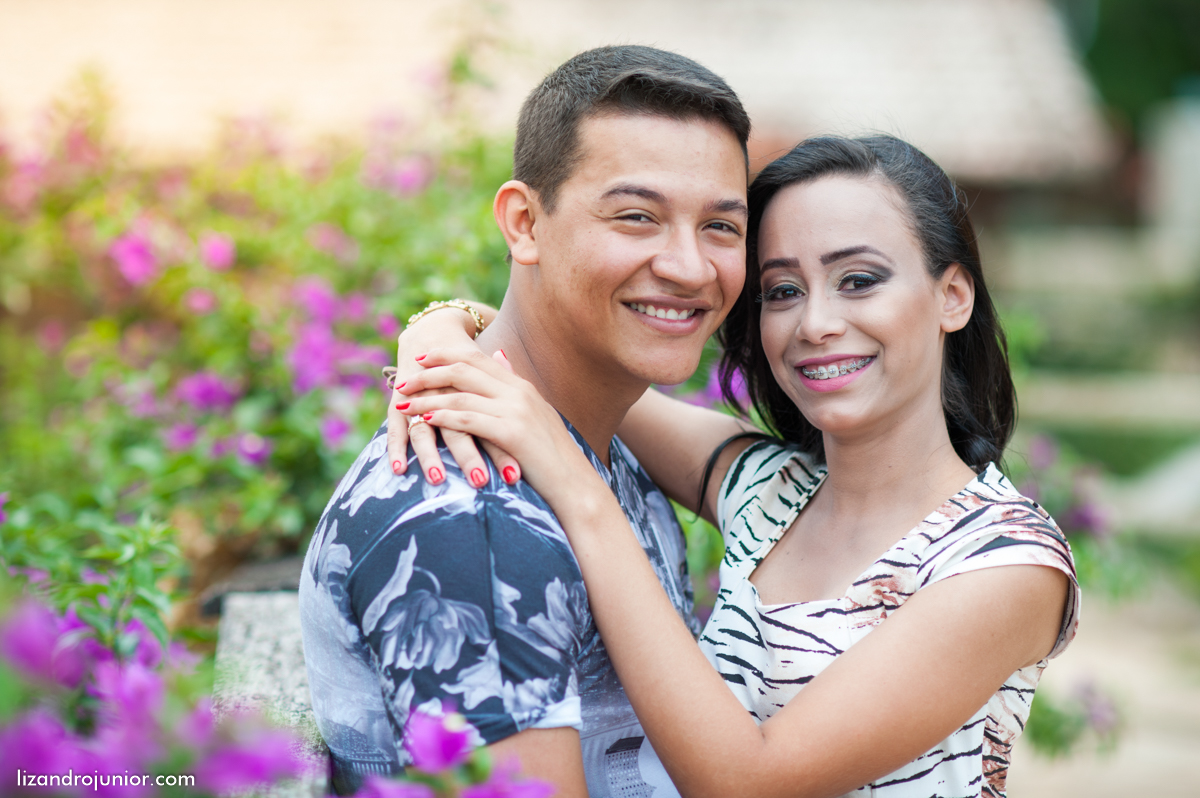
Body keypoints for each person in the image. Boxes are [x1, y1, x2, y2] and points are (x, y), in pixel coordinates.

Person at [389, 135, 1080, 797]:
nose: (815, 324)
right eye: (782, 291)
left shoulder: (1005, 563)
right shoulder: (768, 492)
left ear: (952, 296)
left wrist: (576, 485)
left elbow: (747, 781)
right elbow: (554, 371)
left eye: (859, 280)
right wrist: (440, 330)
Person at [298, 45, 753, 797]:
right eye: (636, 217)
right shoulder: (476, 521)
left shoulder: (587, 437)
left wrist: (444, 320)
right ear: (523, 222)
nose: (689, 266)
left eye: (721, 228)